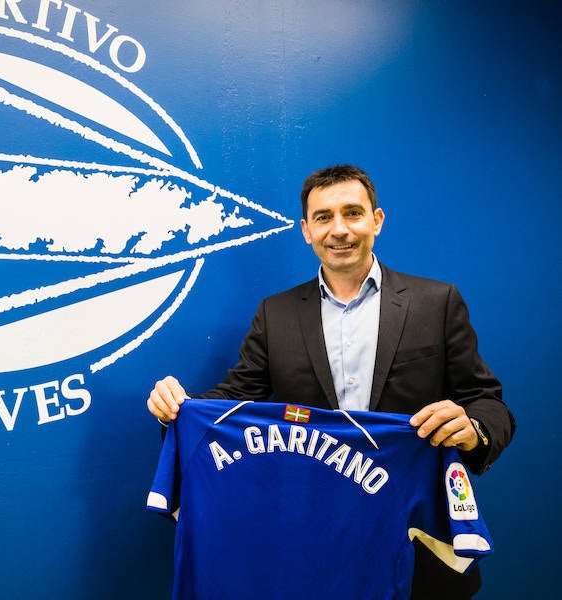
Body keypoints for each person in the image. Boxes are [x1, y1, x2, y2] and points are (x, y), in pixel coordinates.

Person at [147, 164, 515, 599]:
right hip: (313, 543)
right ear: (306, 230)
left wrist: (474, 430)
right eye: (324, 217)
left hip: (413, 538)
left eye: (352, 213)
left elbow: (487, 401)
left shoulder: (437, 302)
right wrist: (178, 407)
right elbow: (233, 401)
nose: (339, 230)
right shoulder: (276, 314)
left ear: (376, 220)